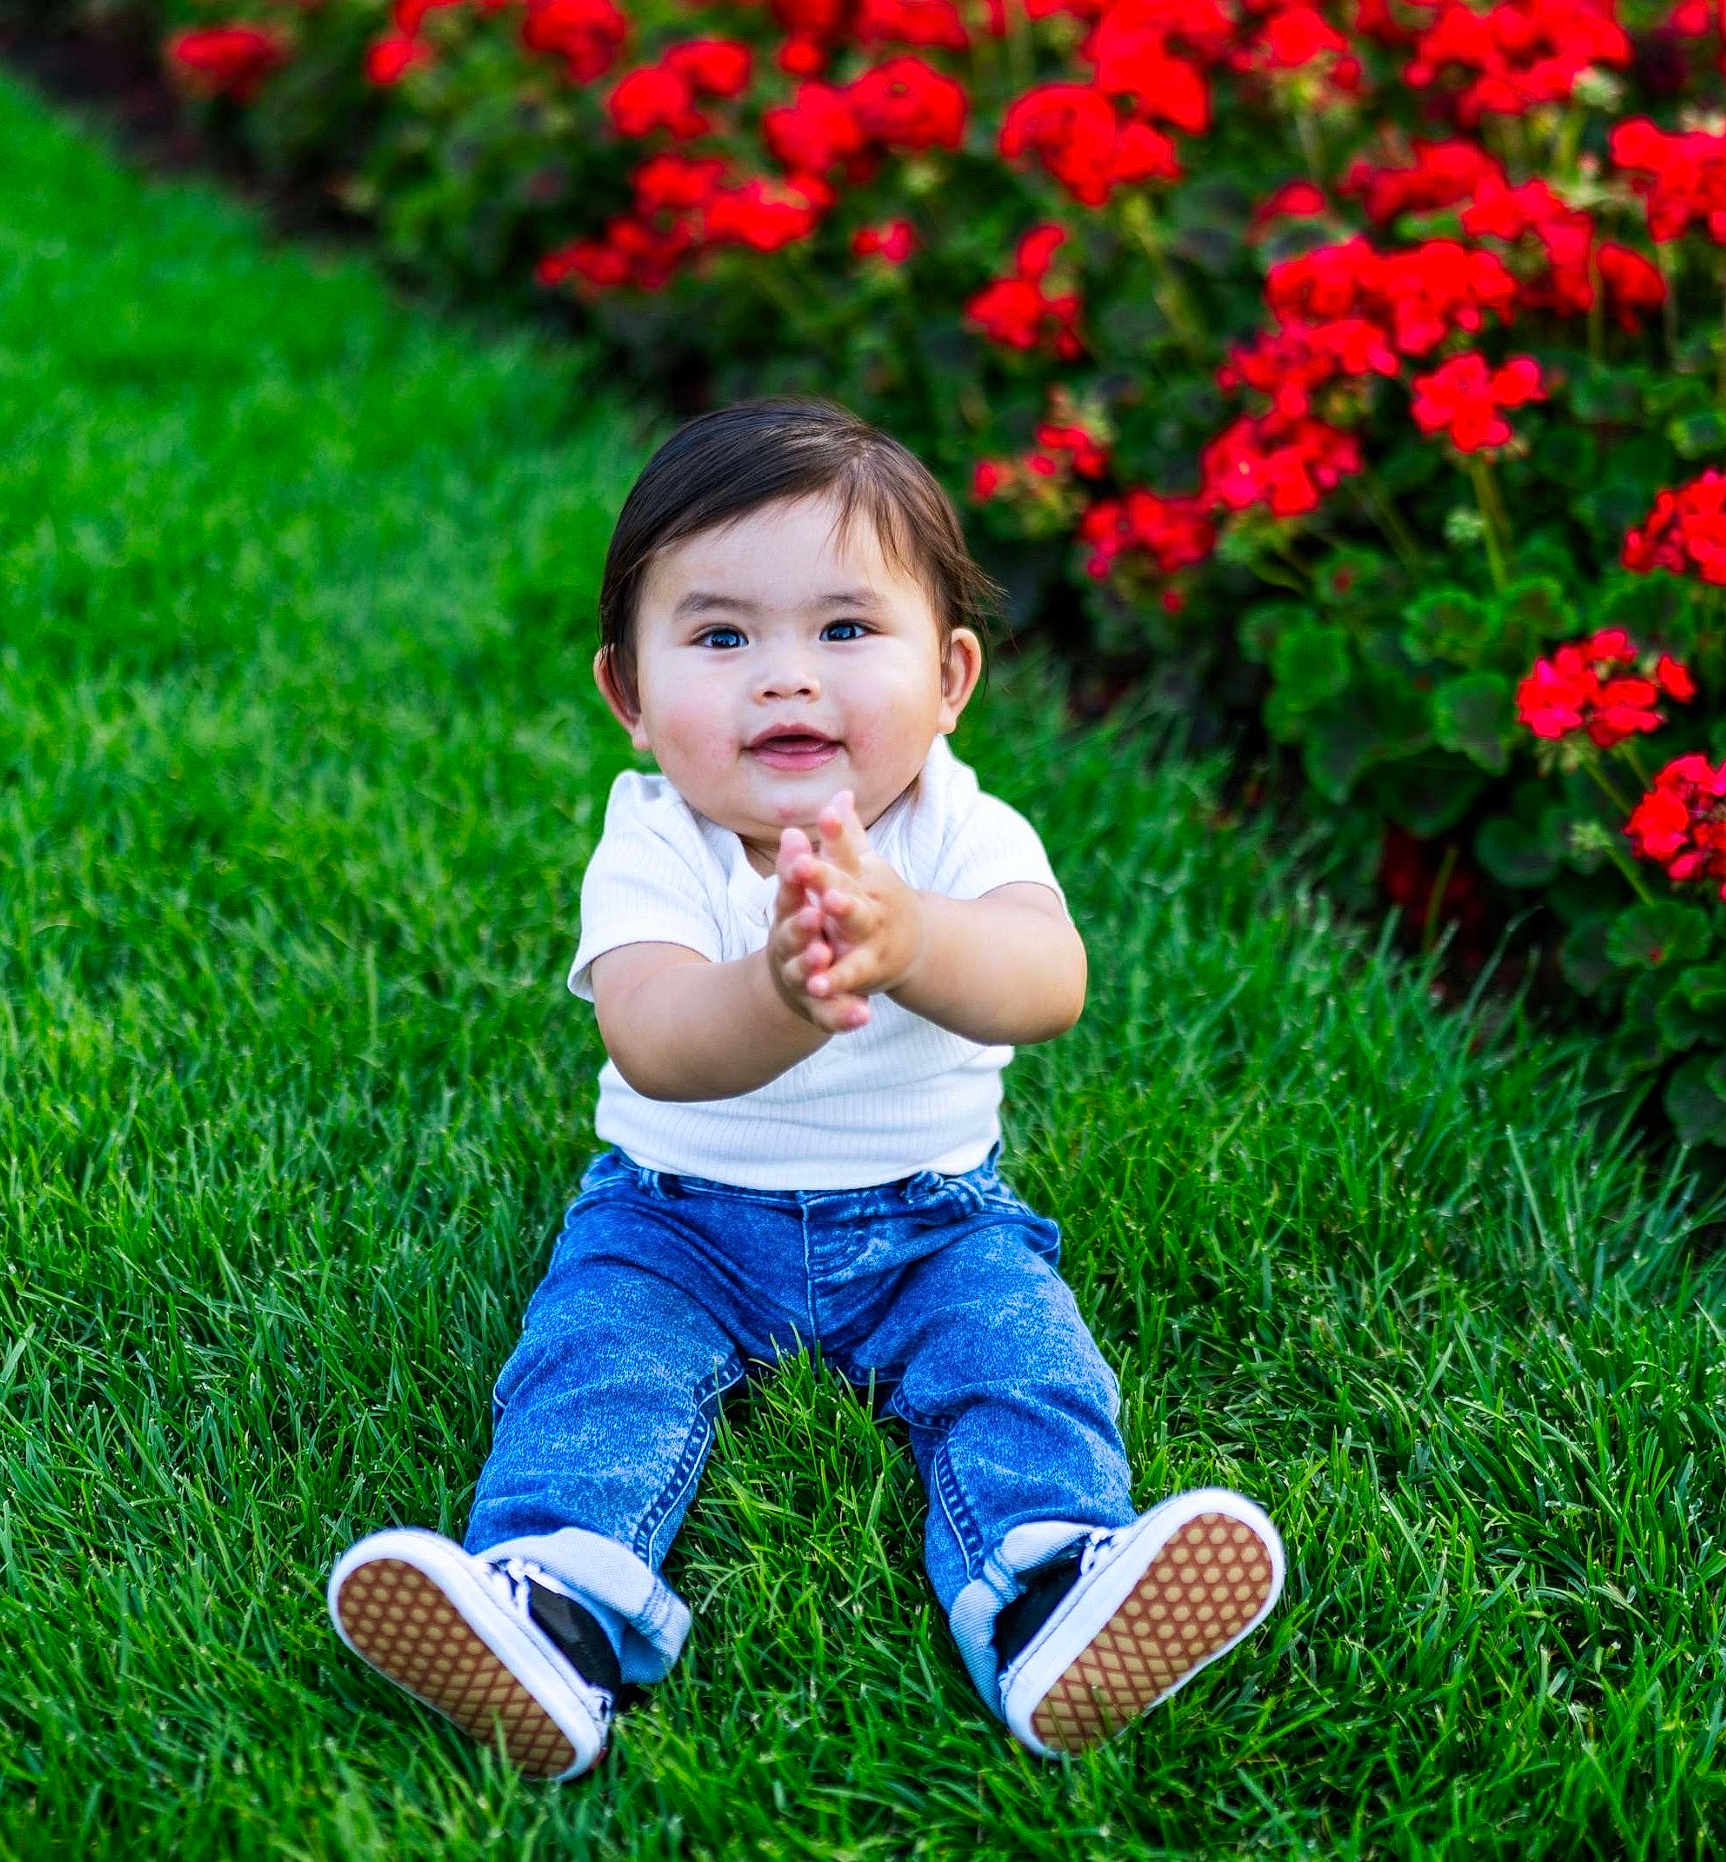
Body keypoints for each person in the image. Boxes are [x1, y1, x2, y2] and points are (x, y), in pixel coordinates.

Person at [326, 395, 1285, 1781]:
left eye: (845, 630)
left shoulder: (961, 826)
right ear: (631, 699)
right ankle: (556, 1601)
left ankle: (1047, 1581)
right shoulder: (653, 842)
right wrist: (782, 988)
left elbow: (1046, 980)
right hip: (674, 1218)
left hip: (932, 1219)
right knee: (597, 1367)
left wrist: (911, 938)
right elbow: (658, 1040)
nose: (785, 676)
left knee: (1016, 1360)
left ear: (950, 677)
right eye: (719, 637)